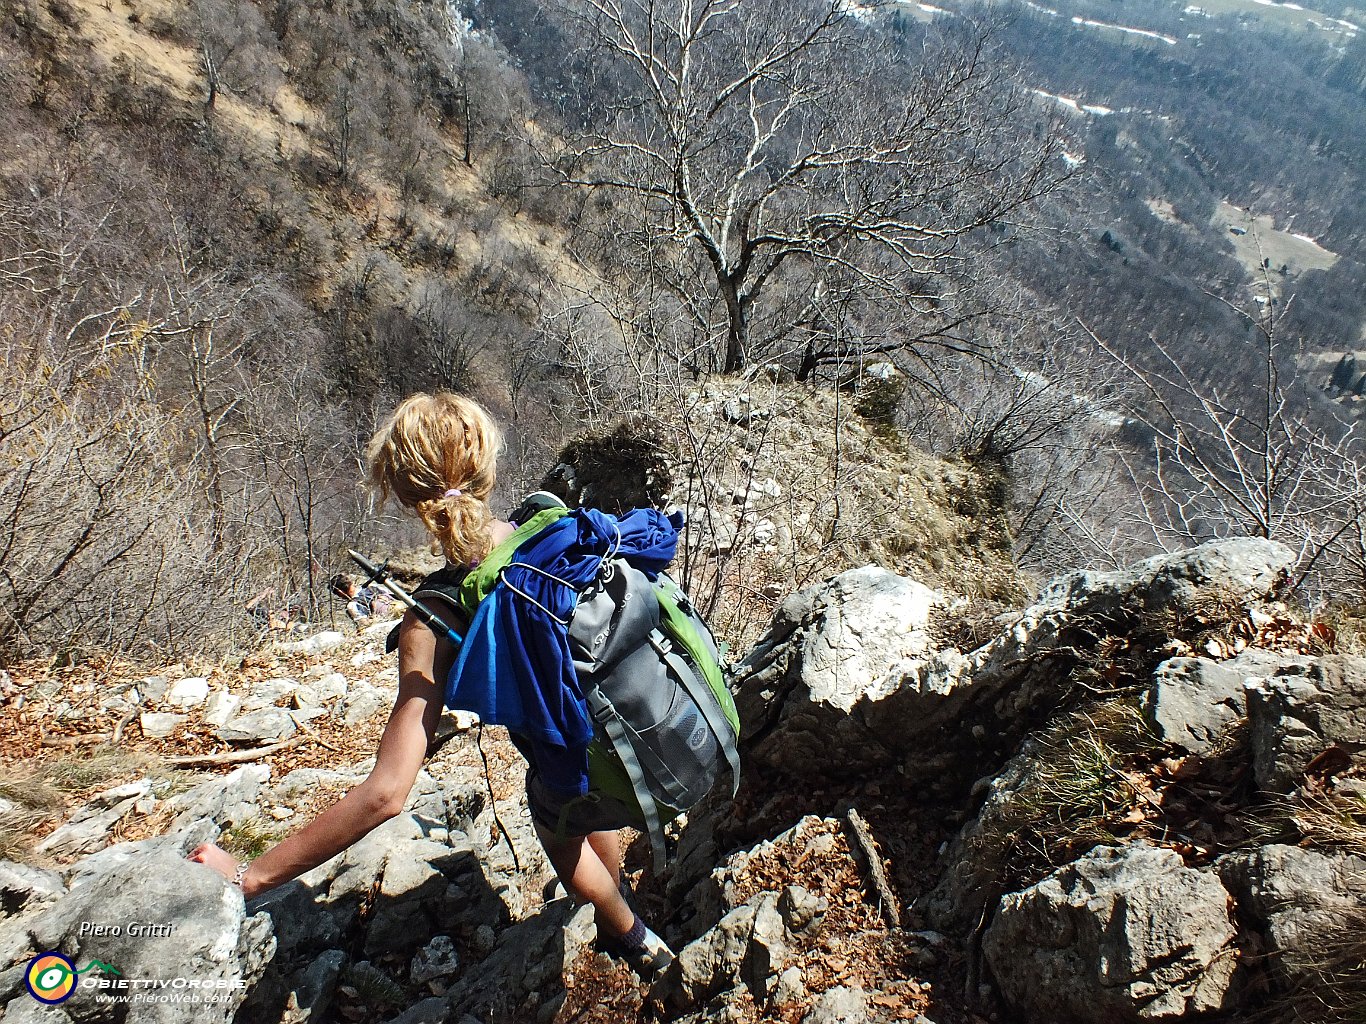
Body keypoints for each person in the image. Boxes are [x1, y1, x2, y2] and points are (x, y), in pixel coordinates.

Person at [188, 393, 673, 975]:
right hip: (641, 729)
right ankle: (622, 903)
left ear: (405, 495)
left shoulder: (433, 616)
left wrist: (251, 877)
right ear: (487, 464)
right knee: (576, 778)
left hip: (577, 767)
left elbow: (386, 795)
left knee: (556, 821)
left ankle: (628, 932)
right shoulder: (552, 528)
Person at [329, 573, 394, 627]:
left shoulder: (352, 605)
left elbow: (364, 625)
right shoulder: (372, 587)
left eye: (338, 594)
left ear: (340, 592)